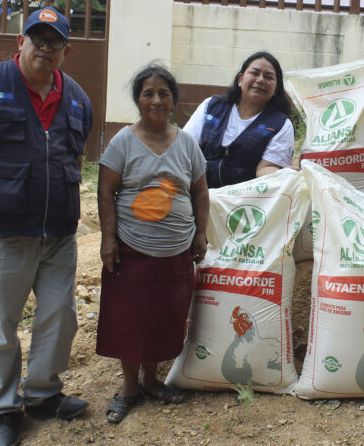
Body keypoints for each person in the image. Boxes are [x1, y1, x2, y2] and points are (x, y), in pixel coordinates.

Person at [0, 6, 92, 446]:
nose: (45, 48)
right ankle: (4, 410)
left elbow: (75, 159)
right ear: (20, 42)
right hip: (2, 232)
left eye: (54, 42)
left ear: (66, 50)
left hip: (58, 235)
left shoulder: (78, 97)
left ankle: (43, 393)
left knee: (59, 318)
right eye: (37, 39)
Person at [96, 64, 209, 424]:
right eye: (148, 93)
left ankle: (151, 380)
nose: (156, 99)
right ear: (138, 100)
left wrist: (201, 232)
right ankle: (129, 387)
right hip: (132, 250)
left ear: (174, 100)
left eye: (163, 93)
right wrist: (108, 238)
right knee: (129, 319)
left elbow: (200, 190)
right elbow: (105, 191)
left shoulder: (187, 143)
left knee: (164, 318)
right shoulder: (123, 142)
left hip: (175, 251)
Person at [182, 51, 295, 188]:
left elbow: (265, 168)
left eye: (268, 77)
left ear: (276, 88)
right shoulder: (212, 106)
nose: (260, 80)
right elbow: (185, 149)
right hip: (200, 193)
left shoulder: (280, 124)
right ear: (240, 79)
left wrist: (284, 174)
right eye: (254, 73)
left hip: (243, 202)